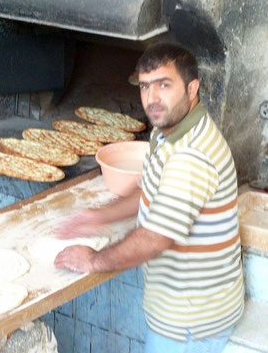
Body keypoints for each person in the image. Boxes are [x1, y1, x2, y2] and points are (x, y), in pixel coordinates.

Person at [54, 43, 244, 352]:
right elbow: (149, 189)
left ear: (192, 88)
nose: (152, 99)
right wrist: (100, 216)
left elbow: (155, 239)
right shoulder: (166, 131)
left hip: (191, 325)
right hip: (182, 314)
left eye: (164, 85)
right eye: (145, 86)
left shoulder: (192, 156)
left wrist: (93, 260)